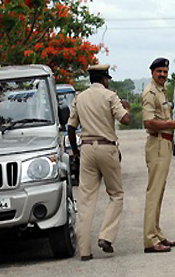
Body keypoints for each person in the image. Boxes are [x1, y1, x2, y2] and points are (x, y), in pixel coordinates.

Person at [68, 64, 131, 261]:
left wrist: (76, 152)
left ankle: (84, 251)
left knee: (86, 200)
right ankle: (106, 236)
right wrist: (127, 108)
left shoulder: (79, 98)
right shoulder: (110, 96)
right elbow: (125, 119)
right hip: (107, 147)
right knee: (116, 194)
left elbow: (71, 128)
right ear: (104, 79)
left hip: (86, 148)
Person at [142, 57, 175, 253]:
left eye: (165, 72)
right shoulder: (150, 93)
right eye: (159, 71)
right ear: (152, 72)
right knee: (154, 192)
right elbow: (148, 122)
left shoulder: (162, 91)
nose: (162, 74)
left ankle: (156, 232)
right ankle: (150, 239)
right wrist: (171, 124)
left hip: (165, 143)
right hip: (157, 143)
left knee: (159, 191)